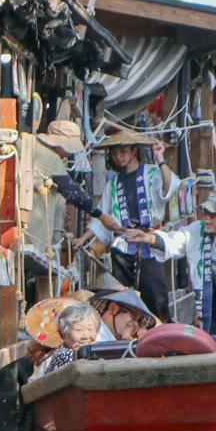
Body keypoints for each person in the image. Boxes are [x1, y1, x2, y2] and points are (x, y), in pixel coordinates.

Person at [132, 191, 216, 335]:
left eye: (212, 214)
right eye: (204, 212)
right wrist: (149, 238)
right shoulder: (197, 230)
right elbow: (176, 240)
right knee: (214, 339)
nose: (206, 217)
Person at [75, 131, 173, 319]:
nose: (118, 157)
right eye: (114, 153)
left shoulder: (151, 172)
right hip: (121, 246)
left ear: (134, 150)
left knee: (156, 297)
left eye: (123, 151)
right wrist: (83, 238)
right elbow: (101, 216)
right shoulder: (113, 183)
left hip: (147, 242)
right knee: (123, 300)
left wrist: (160, 157)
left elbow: (167, 186)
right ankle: (128, 341)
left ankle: (163, 337)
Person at [38, 302, 99, 376]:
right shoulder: (64, 355)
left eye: (90, 329)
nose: (86, 336)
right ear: (64, 334)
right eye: (79, 330)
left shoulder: (97, 351)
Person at [89, 287, 158, 342]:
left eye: (140, 321)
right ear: (113, 308)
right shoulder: (91, 336)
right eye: (134, 316)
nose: (136, 324)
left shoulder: (114, 342)